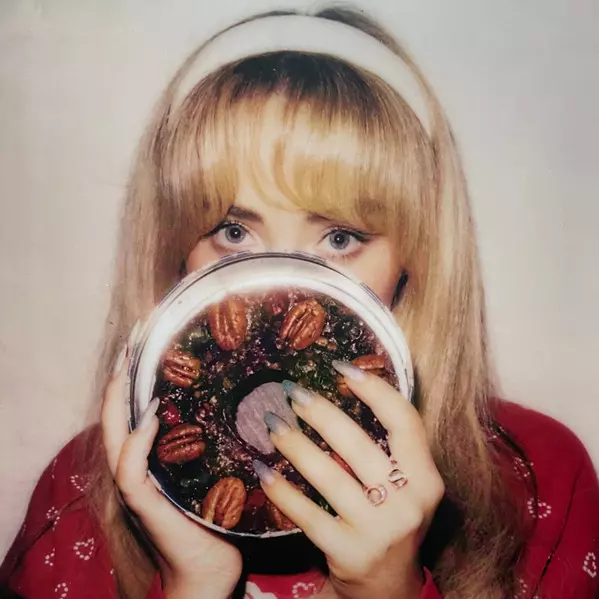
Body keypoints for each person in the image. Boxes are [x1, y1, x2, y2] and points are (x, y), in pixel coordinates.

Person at [1, 6, 598, 599]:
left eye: (339, 238)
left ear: (415, 256)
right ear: (174, 251)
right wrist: (194, 584)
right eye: (234, 232)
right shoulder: (76, 501)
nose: (281, 288)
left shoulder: (537, 482)